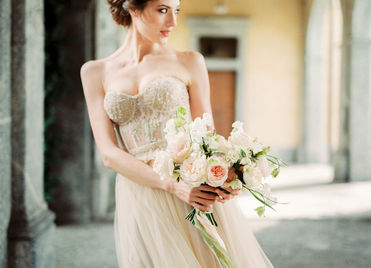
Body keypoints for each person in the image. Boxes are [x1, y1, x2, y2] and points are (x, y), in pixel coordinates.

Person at [80, 0, 274, 267]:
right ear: (133, 8)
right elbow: (109, 154)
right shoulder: (94, 72)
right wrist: (172, 186)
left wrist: (227, 176)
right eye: (162, 10)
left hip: (192, 187)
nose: (173, 21)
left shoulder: (190, 61)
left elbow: (207, 135)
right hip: (140, 193)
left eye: (176, 11)